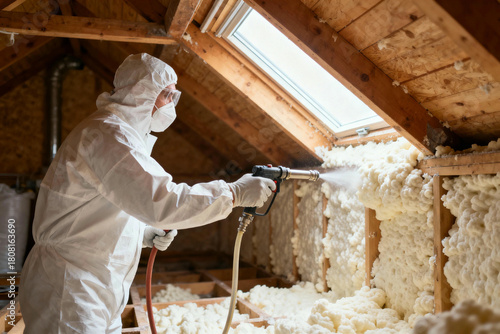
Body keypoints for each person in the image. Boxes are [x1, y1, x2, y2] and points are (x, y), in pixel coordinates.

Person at [19, 53, 276, 333]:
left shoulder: (121, 135)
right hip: (69, 286)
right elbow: (162, 201)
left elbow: (107, 208)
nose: (171, 105)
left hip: (97, 284)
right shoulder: (109, 135)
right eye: (167, 95)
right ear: (142, 93)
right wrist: (233, 193)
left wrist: (140, 235)